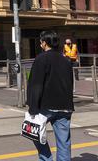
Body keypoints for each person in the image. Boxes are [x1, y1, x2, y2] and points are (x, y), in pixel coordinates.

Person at [27, 31, 74, 161]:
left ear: (44, 43)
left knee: (35, 133)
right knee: (64, 141)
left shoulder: (41, 59)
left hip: (45, 105)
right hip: (65, 106)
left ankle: (46, 158)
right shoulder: (66, 60)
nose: (40, 44)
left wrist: (32, 106)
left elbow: (36, 84)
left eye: (41, 41)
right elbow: (70, 83)